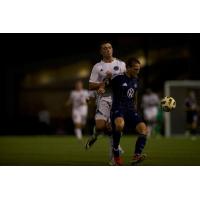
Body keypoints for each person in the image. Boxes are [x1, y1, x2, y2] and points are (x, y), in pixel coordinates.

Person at [85, 41, 126, 163]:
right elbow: (91, 85)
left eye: (110, 47)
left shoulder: (121, 64)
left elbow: (126, 81)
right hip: (103, 99)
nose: (108, 50)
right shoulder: (97, 66)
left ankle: (113, 158)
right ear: (101, 51)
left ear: (112, 49)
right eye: (105, 48)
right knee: (100, 127)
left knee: (114, 128)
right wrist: (102, 85)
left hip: (117, 99)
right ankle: (95, 135)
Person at [111, 57, 148, 165]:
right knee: (119, 125)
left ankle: (136, 156)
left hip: (130, 110)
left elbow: (135, 94)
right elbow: (104, 85)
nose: (138, 71)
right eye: (135, 69)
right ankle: (116, 151)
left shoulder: (136, 79)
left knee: (143, 129)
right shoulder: (118, 79)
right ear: (128, 68)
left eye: (139, 69)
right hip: (118, 108)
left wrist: (135, 106)